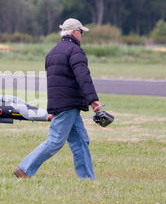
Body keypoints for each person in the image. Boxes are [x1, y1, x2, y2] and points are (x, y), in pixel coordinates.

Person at [14, 18, 102, 180]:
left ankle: (87, 179)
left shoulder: (52, 53)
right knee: (55, 141)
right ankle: (24, 169)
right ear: (74, 32)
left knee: (81, 141)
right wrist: (93, 100)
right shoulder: (75, 51)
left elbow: (54, 85)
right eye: (81, 32)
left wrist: (53, 109)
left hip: (67, 105)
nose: (82, 36)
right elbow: (83, 77)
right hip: (68, 105)